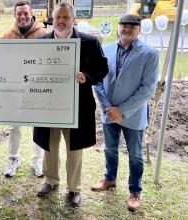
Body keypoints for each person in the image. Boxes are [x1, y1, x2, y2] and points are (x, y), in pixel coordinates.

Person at [34, 2, 108, 206]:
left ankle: (74, 188)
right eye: (58, 17)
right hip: (48, 104)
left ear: (73, 19)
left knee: (74, 148)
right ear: (53, 18)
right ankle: (50, 180)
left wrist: (87, 76)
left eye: (66, 17)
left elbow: (102, 68)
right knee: (50, 144)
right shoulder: (41, 42)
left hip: (77, 106)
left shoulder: (90, 42)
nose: (61, 21)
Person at [92, 15, 159, 212]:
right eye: (124, 25)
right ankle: (110, 178)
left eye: (132, 26)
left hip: (133, 114)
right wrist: (107, 107)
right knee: (110, 149)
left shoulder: (150, 53)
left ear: (139, 30)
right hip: (109, 113)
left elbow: (147, 88)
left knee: (135, 155)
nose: (127, 29)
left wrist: (122, 110)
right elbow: (98, 80)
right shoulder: (106, 49)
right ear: (118, 27)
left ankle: (135, 191)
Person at [0, 0, 47, 178]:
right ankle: (13, 159)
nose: (22, 16)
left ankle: (37, 160)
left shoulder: (44, 35)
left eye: (25, 13)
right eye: (19, 13)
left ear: (31, 13)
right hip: (14, 91)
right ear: (14, 15)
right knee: (14, 127)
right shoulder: (6, 37)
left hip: (36, 90)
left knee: (39, 126)